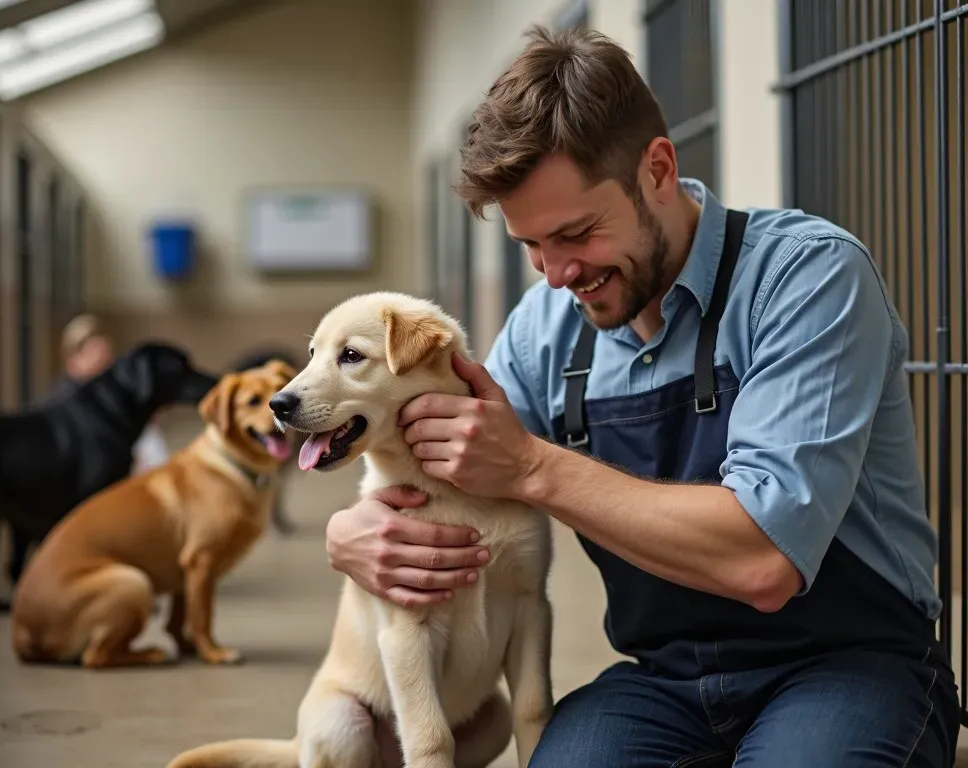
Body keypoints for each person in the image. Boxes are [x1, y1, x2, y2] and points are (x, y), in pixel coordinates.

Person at [322, 26, 960, 768]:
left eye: (577, 233)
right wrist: (357, 531)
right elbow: (451, 473)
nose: (557, 274)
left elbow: (762, 560)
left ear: (658, 168)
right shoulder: (544, 330)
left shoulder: (807, 280)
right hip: (668, 680)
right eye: (532, 246)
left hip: (851, 665)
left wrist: (533, 466)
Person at [48, 313, 170, 474]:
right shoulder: (61, 406)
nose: (104, 374)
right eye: (96, 365)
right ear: (73, 361)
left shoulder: (120, 401)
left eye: (107, 364)